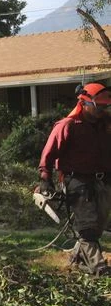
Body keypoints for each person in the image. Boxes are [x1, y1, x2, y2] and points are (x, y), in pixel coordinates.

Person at [38, 82, 111, 276]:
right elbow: (49, 153)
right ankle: (98, 267)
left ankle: (78, 258)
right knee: (87, 225)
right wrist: (45, 179)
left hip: (103, 180)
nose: (102, 110)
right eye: (99, 107)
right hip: (76, 180)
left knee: (99, 225)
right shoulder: (68, 125)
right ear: (84, 103)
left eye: (106, 106)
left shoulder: (106, 124)